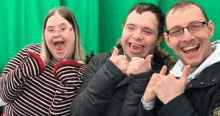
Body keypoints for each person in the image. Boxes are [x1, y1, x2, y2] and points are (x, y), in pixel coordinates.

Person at [71, 3, 175, 116]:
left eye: (147, 31)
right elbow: (79, 112)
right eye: (131, 28)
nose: (136, 36)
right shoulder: (99, 62)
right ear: (123, 29)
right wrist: (109, 73)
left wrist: (140, 80)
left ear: (159, 39)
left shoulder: (164, 77)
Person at [0, 6, 86, 115]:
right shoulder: (30, 52)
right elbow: (3, 94)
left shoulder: (81, 72)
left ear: (74, 31)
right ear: (44, 35)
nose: (56, 34)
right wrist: (24, 71)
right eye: (50, 30)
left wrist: (68, 83)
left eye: (62, 29)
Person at [141, 1, 220, 116]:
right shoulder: (168, 79)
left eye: (195, 26)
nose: (187, 38)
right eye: (176, 31)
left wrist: (174, 102)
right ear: (168, 40)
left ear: (210, 29)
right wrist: (148, 105)